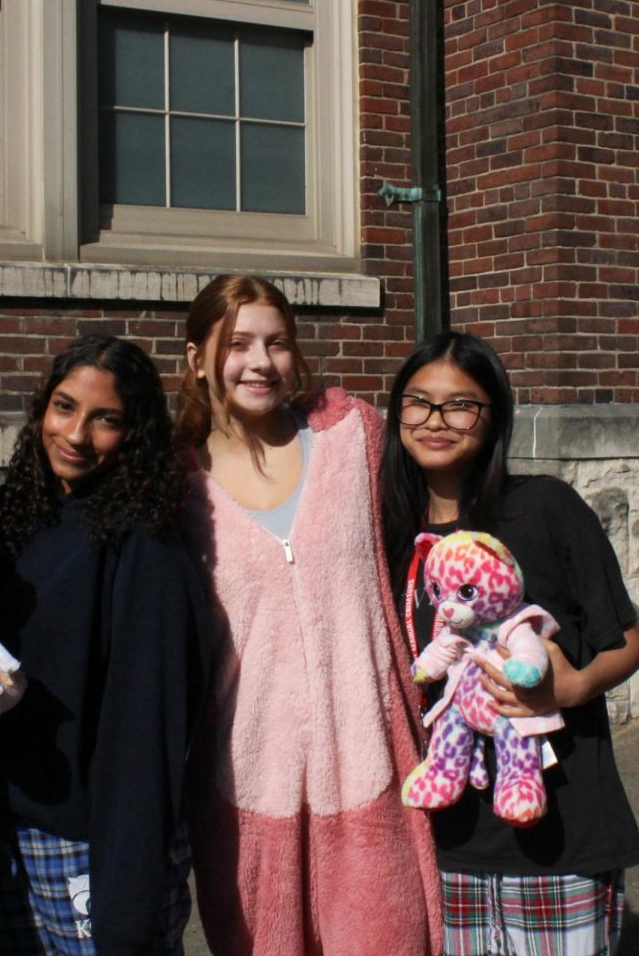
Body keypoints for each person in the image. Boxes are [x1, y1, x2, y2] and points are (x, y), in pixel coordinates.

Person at [176, 274, 443, 955]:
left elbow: (436, 523)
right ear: (196, 357)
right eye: (237, 344)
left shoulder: (354, 440)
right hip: (247, 786)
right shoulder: (174, 483)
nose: (260, 362)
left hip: (370, 768)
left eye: (278, 343)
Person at [379, 330, 639, 956]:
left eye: (460, 404)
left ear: (493, 414)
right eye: (417, 402)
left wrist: (573, 685)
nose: (435, 420)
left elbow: (628, 643)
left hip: (560, 833)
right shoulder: (391, 534)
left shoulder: (545, 507)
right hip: (441, 839)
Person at [0, 335, 208, 955]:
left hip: (99, 848)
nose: (77, 435)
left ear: (135, 434)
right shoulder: (15, 518)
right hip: (12, 835)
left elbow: (145, 738)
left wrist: (127, 906)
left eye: (106, 419)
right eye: (64, 407)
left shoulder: (143, 550)